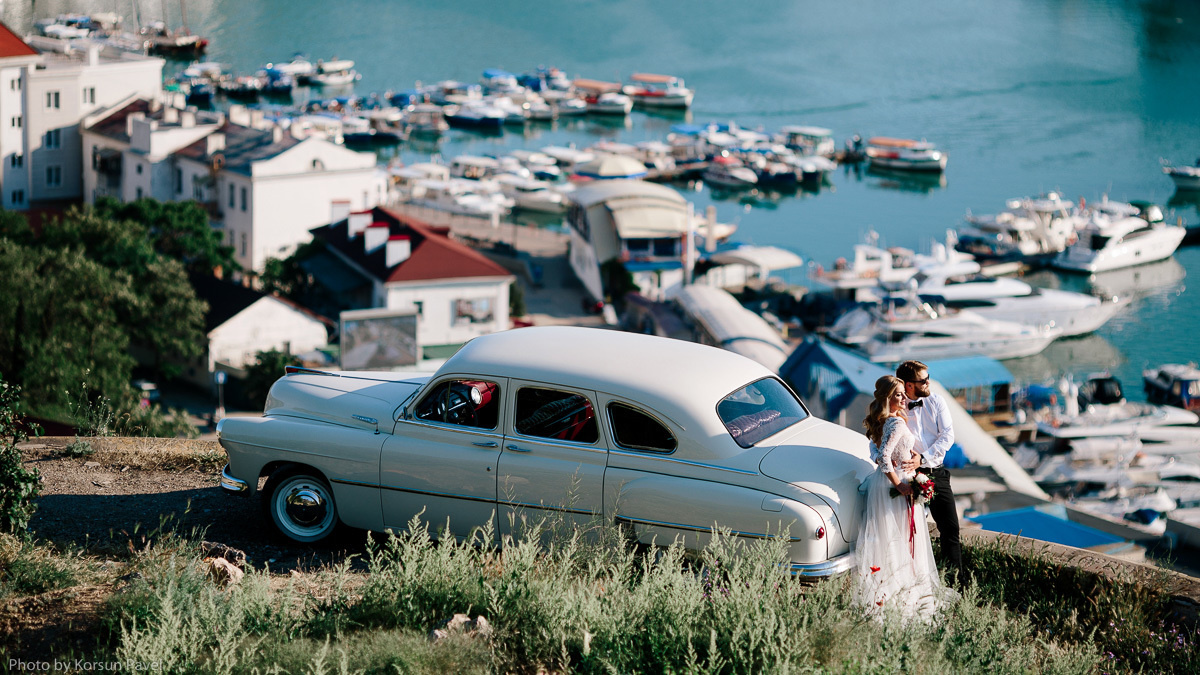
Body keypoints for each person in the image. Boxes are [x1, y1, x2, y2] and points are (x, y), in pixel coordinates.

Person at [854, 375, 944, 619]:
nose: (904, 398)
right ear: (887, 398)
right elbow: (884, 457)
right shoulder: (896, 424)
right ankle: (904, 592)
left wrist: (911, 452)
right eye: (898, 395)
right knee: (902, 538)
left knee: (895, 539)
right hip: (897, 487)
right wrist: (901, 485)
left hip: (891, 483)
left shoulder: (888, 421)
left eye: (904, 393)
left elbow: (885, 450)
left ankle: (894, 590)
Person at [896, 360, 963, 584]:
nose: (928, 382)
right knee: (907, 530)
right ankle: (911, 580)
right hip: (907, 474)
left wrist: (922, 458)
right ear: (909, 385)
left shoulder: (936, 401)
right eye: (923, 380)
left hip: (935, 471)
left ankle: (956, 582)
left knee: (950, 529)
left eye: (928, 377)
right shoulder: (896, 406)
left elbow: (948, 436)